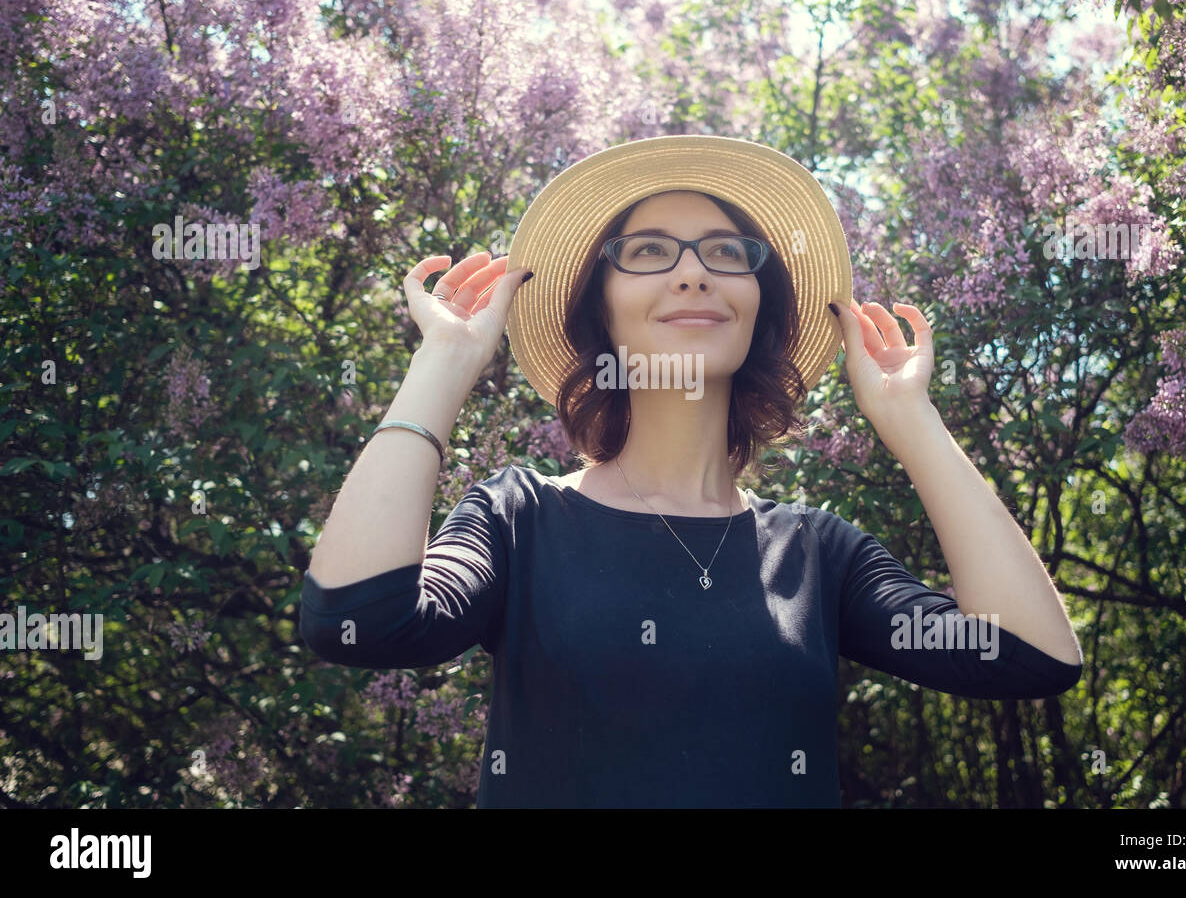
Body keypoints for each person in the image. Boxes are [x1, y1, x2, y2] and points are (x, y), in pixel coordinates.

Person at [300, 134, 1083, 808]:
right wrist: (445, 360)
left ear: (757, 306)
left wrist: (912, 421)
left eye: (725, 252)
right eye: (647, 252)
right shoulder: (520, 520)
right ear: (599, 313)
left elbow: (1029, 656)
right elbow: (354, 621)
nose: (692, 274)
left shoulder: (817, 556)